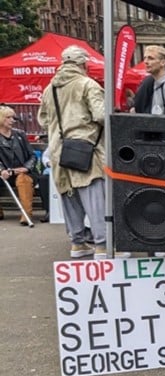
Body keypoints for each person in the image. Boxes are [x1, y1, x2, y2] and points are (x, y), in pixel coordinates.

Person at [37, 46, 110, 259]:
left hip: (59, 149)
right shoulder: (87, 84)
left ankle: (77, 243)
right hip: (86, 148)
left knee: (69, 196)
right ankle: (101, 244)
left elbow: (43, 119)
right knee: (94, 196)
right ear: (83, 64)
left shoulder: (50, 88)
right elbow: (101, 115)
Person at [0, 106, 39, 225]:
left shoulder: (20, 134)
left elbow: (33, 156)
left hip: (23, 172)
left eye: (13, 117)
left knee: (23, 179)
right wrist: (1, 170)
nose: (12, 120)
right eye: (8, 117)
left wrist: (26, 167)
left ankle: (26, 214)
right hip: (4, 173)